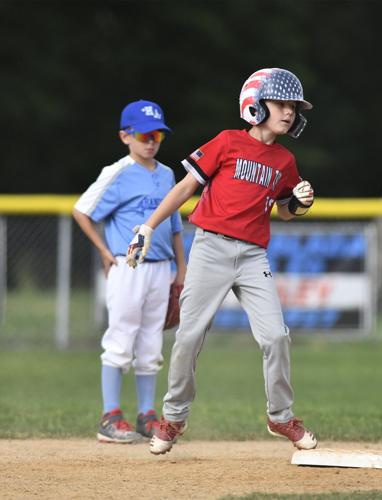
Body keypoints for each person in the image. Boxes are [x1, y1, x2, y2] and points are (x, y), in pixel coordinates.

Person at [126, 68, 318, 455]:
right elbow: (185, 187)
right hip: (210, 248)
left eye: (292, 107)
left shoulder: (285, 160)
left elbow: (283, 211)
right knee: (189, 336)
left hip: (252, 256)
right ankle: (174, 417)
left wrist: (299, 203)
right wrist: (148, 226)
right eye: (281, 103)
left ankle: (280, 416)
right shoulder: (227, 142)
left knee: (276, 336)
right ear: (255, 105)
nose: (288, 112)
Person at [73, 100, 186, 443]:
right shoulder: (117, 172)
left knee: (151, 343)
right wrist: (106, 253)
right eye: (143, 135)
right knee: (121, 339)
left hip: (160, 268)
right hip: (128, 265)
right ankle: (110, 416)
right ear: (125, 136)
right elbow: (82, 211)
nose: (151, 141)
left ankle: (146, 415)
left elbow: (176, 226)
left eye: (157, 135)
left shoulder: (167, 175)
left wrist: (181, 270)